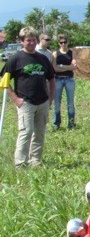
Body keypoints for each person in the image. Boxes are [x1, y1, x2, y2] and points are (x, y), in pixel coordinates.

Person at [0, 26, 56, 168]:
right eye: (28, 40)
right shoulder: (15, 59)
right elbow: (3, 79)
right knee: (26, 132)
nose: (31, 43)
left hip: (42, 102)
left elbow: (52, 79)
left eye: (33, 40)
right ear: (22, 42)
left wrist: (50, 99)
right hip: (25, 102)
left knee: (39, 133)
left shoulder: (42, 58)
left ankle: (35, 161)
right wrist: (14, 98)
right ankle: (20, 163)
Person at [53, 35, 78, 129]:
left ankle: (71, 124)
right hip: (57, 80)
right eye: (61, 42)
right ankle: (56, 124)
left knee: (70, 103)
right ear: (58, 43)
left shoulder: (72, 53)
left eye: (65, 42)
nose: (63, 44)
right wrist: (68, 67)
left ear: (68, 42)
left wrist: (62, 66)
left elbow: (74, 67)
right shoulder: (55, 53)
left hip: (69, 80)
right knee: (57, 103)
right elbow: (54, 68)